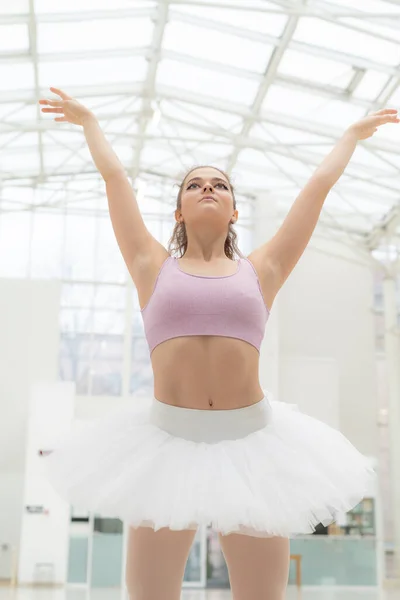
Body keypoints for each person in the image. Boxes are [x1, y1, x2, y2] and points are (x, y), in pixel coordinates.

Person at [39, 87, 398, 600]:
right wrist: (91, 122)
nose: (208, 188)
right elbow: (116, 178)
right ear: (179, 212)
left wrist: (350, 137)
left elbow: (315, 188)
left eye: (221, 186)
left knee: (260, 594)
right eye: (194, 185)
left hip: (253, 444)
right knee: (149, 594)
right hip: (165, 442)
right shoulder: (150, 265)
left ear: (233, 211)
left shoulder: (263, 269)